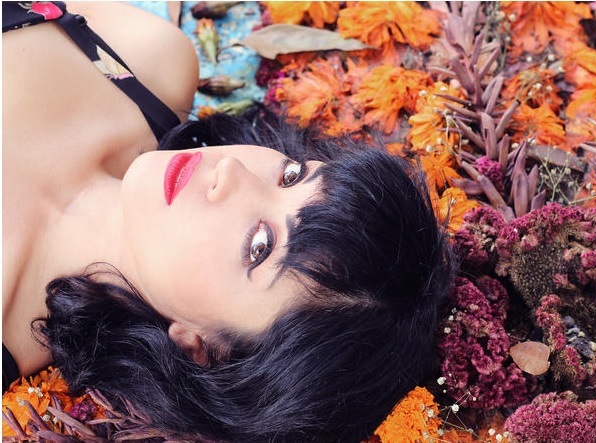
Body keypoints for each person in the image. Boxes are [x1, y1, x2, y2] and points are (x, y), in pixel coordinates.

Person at [3, 2, 453, 442]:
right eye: (292, 176)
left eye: (259, 247)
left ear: (199, 348)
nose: (234, 171)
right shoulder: (151, 62)